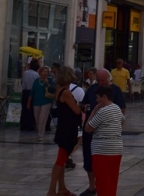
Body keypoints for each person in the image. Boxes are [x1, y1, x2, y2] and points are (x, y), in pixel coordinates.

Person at [80, 69, 126, 196]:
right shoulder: (114, 107)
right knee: (111, 180)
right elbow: (122, 119)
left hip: (102, 149)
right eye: (98, 80)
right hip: (115, 147)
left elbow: (88, 128)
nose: (100, 83)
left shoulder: (102, 110)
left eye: (98, 98)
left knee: (103, 180)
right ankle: (91, 186)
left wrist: (95, 110)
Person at [47, 66, 81, 196]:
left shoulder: (58, 89)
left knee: (62, 159)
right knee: (60, 161)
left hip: (63, 128)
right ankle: (51, 190)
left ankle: (62, 188)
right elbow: (76, 110)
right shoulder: (66, 92)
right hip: (68, 130)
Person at [28, 65, 54, 142]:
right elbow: (32, 92)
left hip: (46, 102)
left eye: (46, 72)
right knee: (37, 118)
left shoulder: (50, 80)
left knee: (42, 118)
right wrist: (29, 102)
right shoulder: (36, 81)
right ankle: (40, 131)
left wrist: (48, 84)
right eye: (43, 71)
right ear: (40, 72)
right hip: (36, 102)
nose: (45, 73)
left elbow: (53, 90)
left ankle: (40, 135)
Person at [21, 59, 40, 131]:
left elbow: (22, 82)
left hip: (25, 92)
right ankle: (31, 124)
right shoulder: (36, 75)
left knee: (24, 109)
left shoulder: (25, 73)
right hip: (32, 92)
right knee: (31, 109)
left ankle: (23, 124)